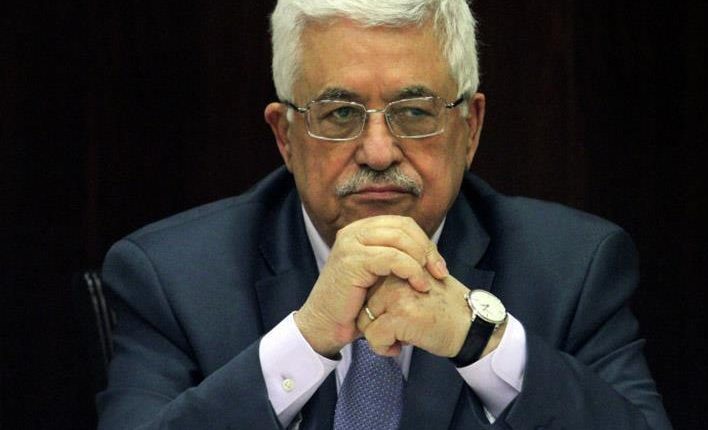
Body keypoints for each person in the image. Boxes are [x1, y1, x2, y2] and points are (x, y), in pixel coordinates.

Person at [97, 0, 672, 429]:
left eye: (415, 112)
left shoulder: (573, 269)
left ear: (470, 129)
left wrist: (480, 341)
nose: (377, 152)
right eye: (340, 113)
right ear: (286, 137)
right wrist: (305, 340)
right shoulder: (172, 277)